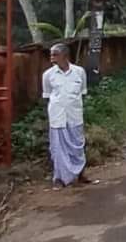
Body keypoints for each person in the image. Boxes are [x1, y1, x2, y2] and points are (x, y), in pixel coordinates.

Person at [42, 43, 90, 189]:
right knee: (58, 149)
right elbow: (48, 95)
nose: (52, 58)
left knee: (77, 146)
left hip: (74, 116)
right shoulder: (48, 75)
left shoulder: (79, 72)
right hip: (58, 117)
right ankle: (59, 179)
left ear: (65, 55)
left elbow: (82, 92)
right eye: (51, 54)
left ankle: (80, 174)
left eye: (55, 54)